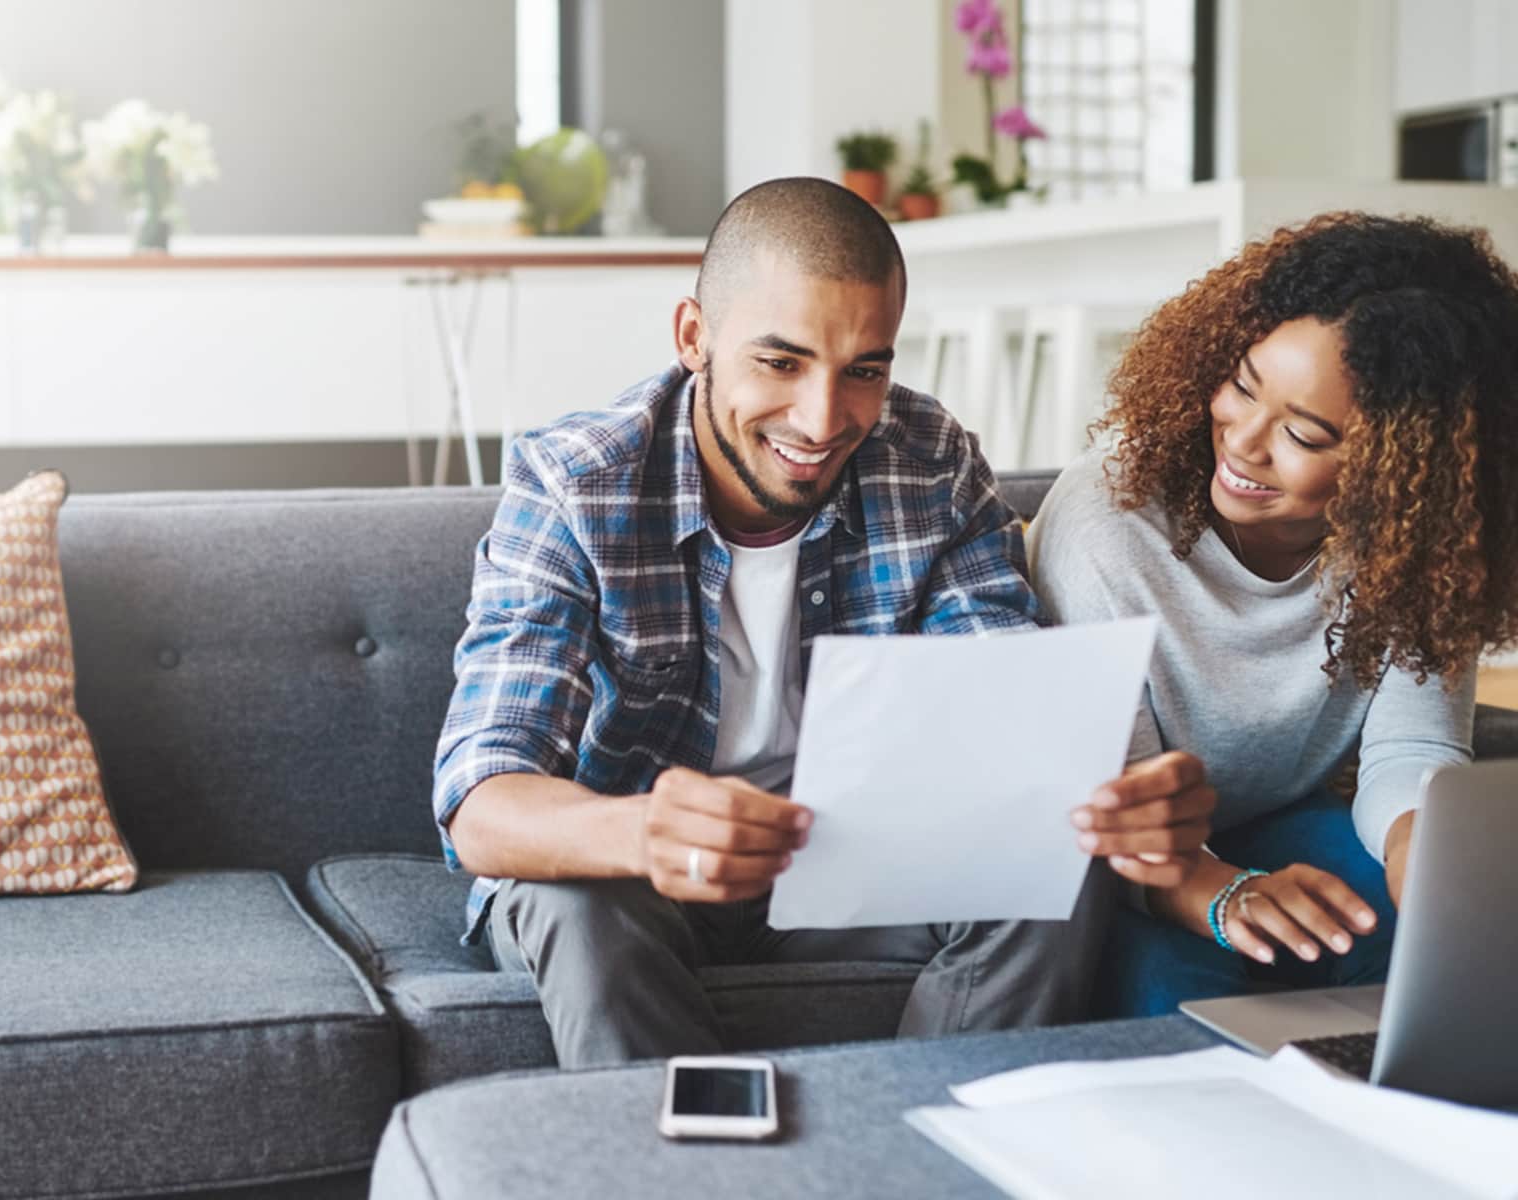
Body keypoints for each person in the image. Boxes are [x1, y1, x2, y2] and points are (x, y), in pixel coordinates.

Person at [431, 177, 1215, 1067]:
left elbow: (1000, 692)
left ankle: (927, 1154)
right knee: (572, 901)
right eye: (780, 362)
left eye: (865, 371)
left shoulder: (928, 462)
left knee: (1059, 867)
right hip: (632, 874)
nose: (823, 419)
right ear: (695, 337)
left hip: (842, 867)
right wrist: (645, 831)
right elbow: (480, 799)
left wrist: (1114, 792)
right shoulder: (576, 482)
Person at [1027, 212, 1518, 1017]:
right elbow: (1120, 808)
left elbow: (1412, 749)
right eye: (1243, 386)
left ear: (1403, 465)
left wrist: (1425, 854)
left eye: (1304, 433)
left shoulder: (1420, 543)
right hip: (1134, 864)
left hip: (1288, 824)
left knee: (1440, 951)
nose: (1245, 443)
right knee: (1169, 1001)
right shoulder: (1108, 523)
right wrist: (1226, 897)